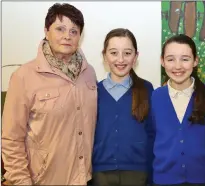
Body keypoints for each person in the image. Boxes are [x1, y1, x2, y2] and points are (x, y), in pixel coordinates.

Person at [1, 3, 97, 185]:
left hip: (84, 179)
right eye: (60, 29)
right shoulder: (23, 76)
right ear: (46, 31)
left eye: (74, 31)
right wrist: (21, 181)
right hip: (42, 180)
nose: (67, 36)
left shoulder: (88, 73)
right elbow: (11, 138)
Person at [151, 34, 205, 186]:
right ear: (162, 61)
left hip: (200, 179)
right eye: (170, 59)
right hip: (163, 180)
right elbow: (150, 139)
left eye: (185, 59)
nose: (177, 66)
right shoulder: (154, 97)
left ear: (195, 61)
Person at [91, 28, 154, 186]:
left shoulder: (147, 89)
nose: (120, 59)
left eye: (127, 53)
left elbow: (153, 134)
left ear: (135, 57)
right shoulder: (93, 92)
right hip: (100, 173)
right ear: (104, 56)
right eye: (113, 53)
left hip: (138, 173)